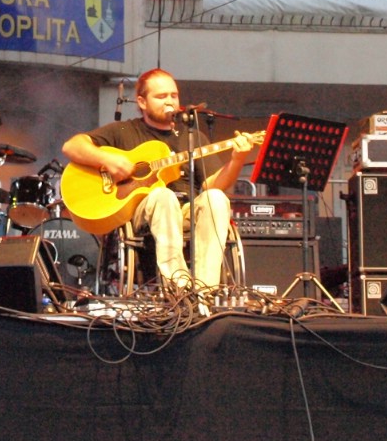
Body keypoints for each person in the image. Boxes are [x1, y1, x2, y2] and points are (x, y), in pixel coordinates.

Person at [60, 68, 259, 290]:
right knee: (163, 196)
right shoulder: (124, 130)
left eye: (174, 95)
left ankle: (204, 291)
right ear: (142, 102)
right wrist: (107, 160)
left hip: (187, 210)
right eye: (161, 96)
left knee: (217, 199)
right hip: (143, 213)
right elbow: (72, 146)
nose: (169, 101)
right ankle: (179, 286)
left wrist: (237, 159)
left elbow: (213, 185)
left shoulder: (192, 137)